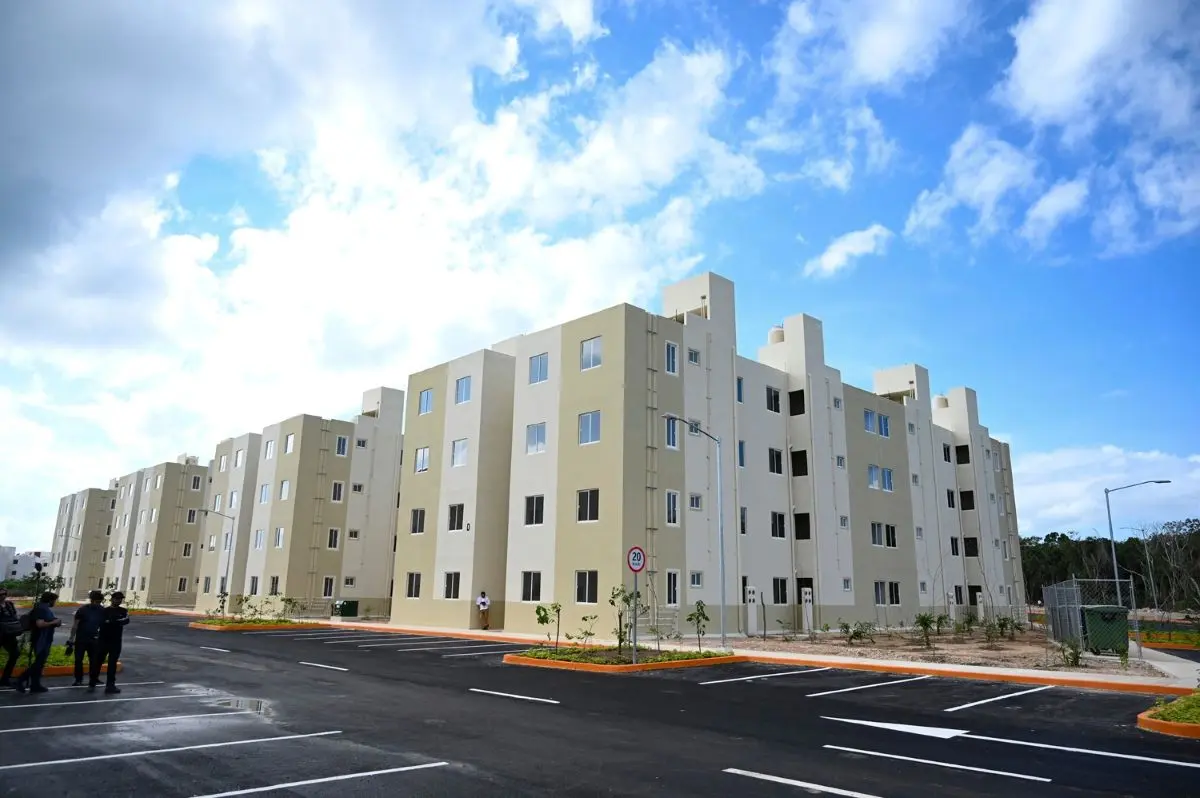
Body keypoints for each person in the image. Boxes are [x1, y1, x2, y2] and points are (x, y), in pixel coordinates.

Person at [14, 591, 62, 694]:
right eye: (54, 600)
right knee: (39, 663)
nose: (55, 602)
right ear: (50, 600)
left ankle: (35, 685)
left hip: (44, 638)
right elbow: (40, 624)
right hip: (41, 639)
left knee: (40, 663)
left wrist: (55, 621)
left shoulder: (43, 608)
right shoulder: (41, 609)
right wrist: (54, 622)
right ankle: (21, 679)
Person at [93, 591, 129, 694]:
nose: (118, 600)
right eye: (116, 598)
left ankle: (110, 685)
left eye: (120, 599)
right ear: (112, 599)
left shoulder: (123, 610)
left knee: (112, 663)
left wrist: (111, 621)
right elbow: (101, 622)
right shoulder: (105, 611)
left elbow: (125, 621)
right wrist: (113, 621)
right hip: (103, 640)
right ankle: (93, 680)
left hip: (116, 641)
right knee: (98, 661)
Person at [68, 590, 106, 687]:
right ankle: (78, 679)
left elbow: (104, 625)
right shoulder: (82, 610)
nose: (98, 604)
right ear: (92, 600)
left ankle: (93, 679)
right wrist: (71, 638)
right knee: (78, 660)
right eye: (97, 602)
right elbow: (75, 625)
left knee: (94, 660)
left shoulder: (102, 610)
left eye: (100, 602)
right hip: (81, 639)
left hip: (94, 639)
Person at [0, 587, 21, 687]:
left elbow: (15, 616)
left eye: (4, 594)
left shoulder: (9, 604)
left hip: (10, 634)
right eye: (1, 594)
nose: (3, 596)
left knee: (15, 654)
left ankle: (5, 678)